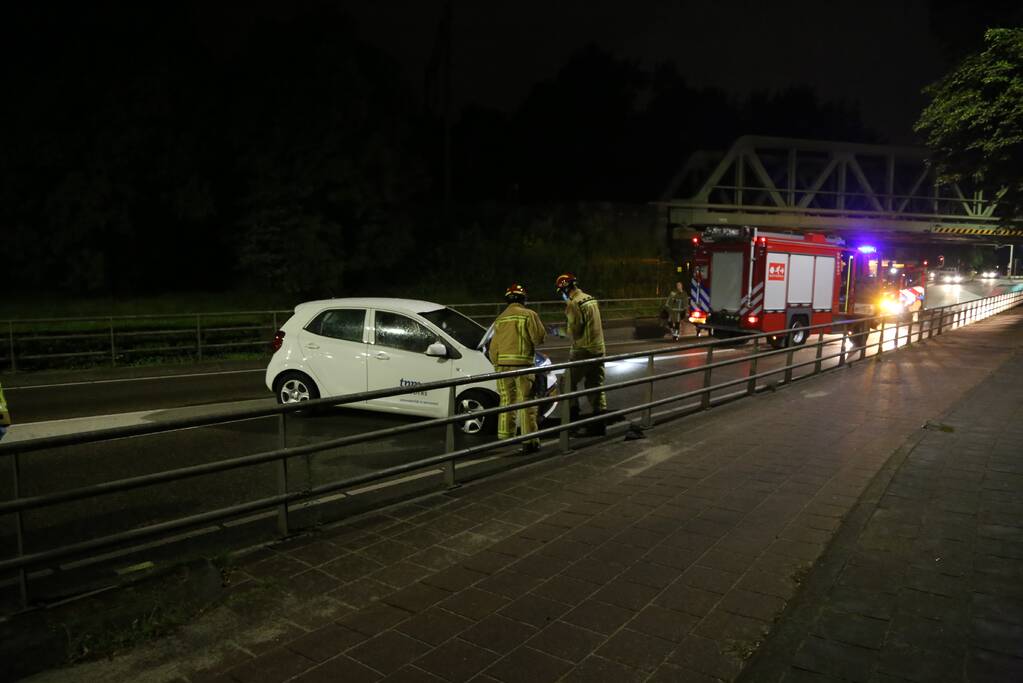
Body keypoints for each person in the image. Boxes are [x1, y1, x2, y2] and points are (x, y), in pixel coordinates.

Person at [487, 283, 546, 454]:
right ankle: (530, 441)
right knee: (527, 403)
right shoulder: (529, 315)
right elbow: (538, 339)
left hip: (503, 368)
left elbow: (493, 348)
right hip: (523, 368)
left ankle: (505, 436)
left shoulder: (500, 318)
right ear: (523, 299)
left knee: (506, 401)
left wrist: (498, 364)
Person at [555, 273, 608, 436]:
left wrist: (559, 331)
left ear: (565, 289)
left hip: (582, 350)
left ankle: (573, 422)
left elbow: (575, 331)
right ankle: (600, 425)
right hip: (598, 349)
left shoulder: (573, 303)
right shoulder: (590, 299)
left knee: (566, 383)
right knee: (595, 385)